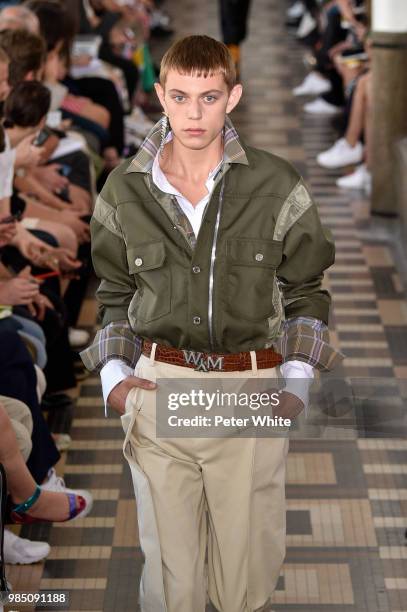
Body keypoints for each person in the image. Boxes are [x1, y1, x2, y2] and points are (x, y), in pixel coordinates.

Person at [81, 35, 342, 612]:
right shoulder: (124, 188)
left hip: (248, 393)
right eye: (180, 97)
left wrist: (296, 384)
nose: (194, 114)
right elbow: (114, 291)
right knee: (174, 583)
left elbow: (307, 288)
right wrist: (115, 379)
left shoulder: (276, 185)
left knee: (243, 579)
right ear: (160, 96)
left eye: (209, 97)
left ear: (234, 96)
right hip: (158, 388)